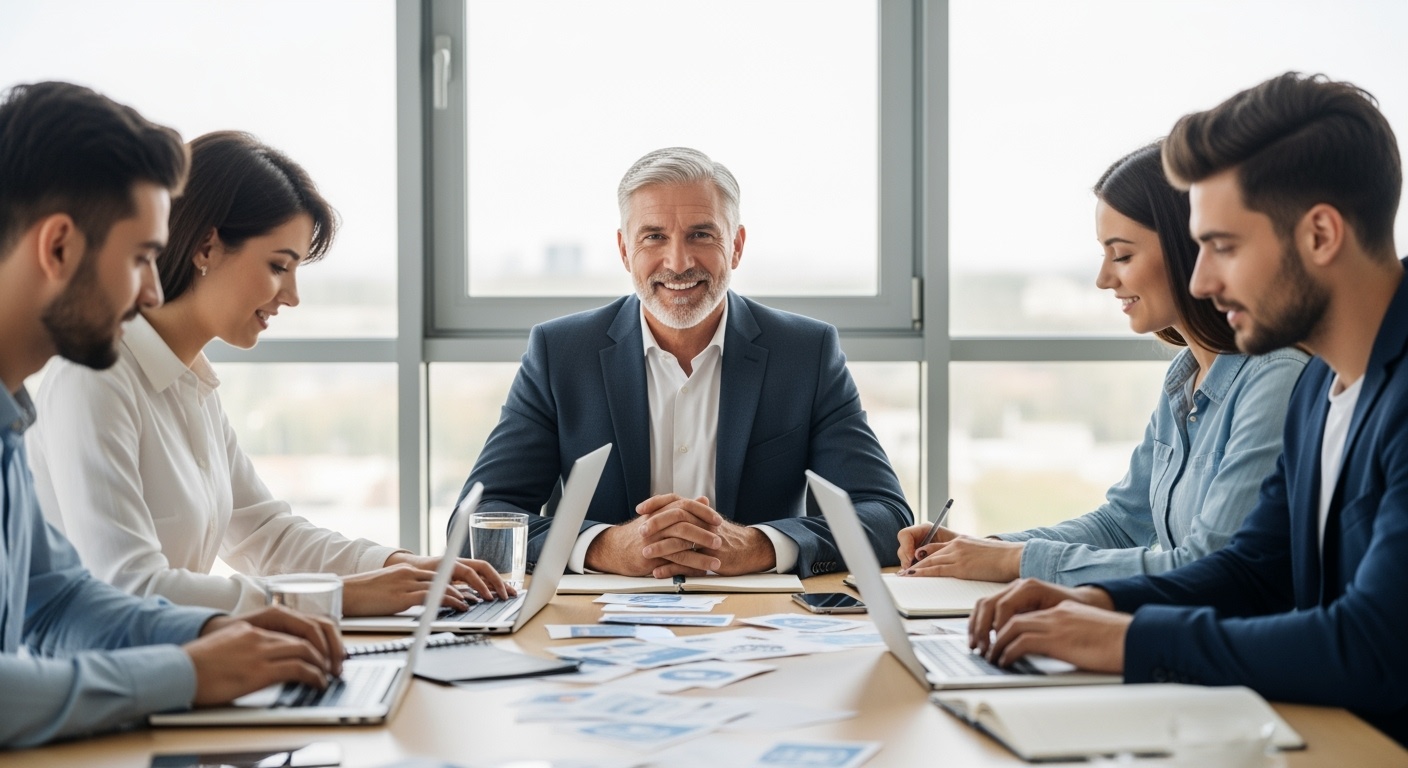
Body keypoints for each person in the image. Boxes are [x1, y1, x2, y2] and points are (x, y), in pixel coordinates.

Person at [968, 72, 1408, 746]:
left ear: (1321, 235)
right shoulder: (1321, 387)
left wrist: (1129, 639)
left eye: (1223, 247)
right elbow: (1251, 570)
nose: (1201, 281)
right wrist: (1098, 601)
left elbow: (1372, 645)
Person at [27, 131, 512, 616]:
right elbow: (128, 585)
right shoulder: (94, 377)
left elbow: (264, 534)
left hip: (175, 657)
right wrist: (339, 598)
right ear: (206, 247)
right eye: (279, 266)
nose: (292, 295)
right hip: (116, 675)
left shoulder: (190, 382)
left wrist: (399, 564)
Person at [0, 81, 343, 748]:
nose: (154, 292)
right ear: (60, 247)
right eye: (141, 259)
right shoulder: (82, 387)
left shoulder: (10, 418)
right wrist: (184, 672)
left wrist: (209, 634)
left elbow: (56, 598)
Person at [453, 147, 912, 579]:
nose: (678, 261)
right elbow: (477, 520)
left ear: (735, 245)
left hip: (763, 624)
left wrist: (759, 545)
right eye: (654, 236)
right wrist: (604, 547)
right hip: (597, 624)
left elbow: (885, 515)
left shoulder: (805, 352)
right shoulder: (560, 352)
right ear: (623, 249)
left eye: (701, 235)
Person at [895, 144, 1307, 585]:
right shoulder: (1185, 377)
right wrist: (983, 549)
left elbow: (1206, 564)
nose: (1103, 279)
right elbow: (1122, 523)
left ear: (1192, 249)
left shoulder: (1274, 378)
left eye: (1123, 255)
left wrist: (1013, 561)